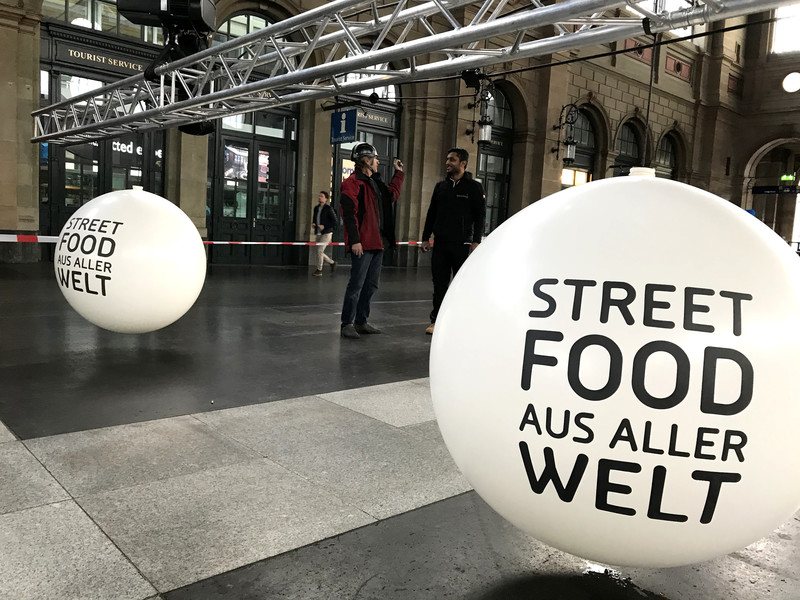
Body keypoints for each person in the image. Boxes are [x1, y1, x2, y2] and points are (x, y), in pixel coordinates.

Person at [339, 142, 405, 339]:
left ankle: (361, 321)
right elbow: (349, 214)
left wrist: (399, 174)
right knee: (356, 284)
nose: (377, 162)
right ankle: (347, 323)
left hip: (377, 242)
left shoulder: (374, 183)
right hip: (363, 243)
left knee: (371, 285)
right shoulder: (352, 183)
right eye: (375, 159)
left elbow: (391, 195)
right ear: (366, 161)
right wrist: (355, 240)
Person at [421, 147, 486, 335]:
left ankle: (460, 320)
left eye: (452, 160)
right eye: (447, 159)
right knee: (439, 285)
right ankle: (436, 321)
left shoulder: (474, 187)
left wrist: (476, 241)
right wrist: (426, 237)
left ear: (463, 164)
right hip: (441, 244)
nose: (447, 163)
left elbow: (480, 216)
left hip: (463, 244)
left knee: (461, 284)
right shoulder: (441, 186)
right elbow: (431, 213)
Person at [311, 190, 337, 276]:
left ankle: (319, 270)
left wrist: (324, 226)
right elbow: (315, 218)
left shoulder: (329, 209)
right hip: (318, 232)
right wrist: (314, 223)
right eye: (319, 196)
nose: (320, 197)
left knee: (320, 250)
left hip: (327, 233)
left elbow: (334, 221)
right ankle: (331, 262)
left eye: (322, 196)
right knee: (319, 251)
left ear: (326, 199)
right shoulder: (316, 208)